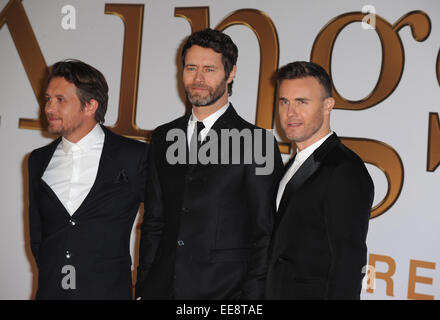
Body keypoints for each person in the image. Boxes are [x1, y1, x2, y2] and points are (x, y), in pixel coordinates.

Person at [135, 28, 283, 299]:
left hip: (224, 294)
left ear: (231, 73)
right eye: (191, 68)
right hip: (162, 290)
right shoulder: (164, 137)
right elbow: (154, 221)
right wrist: (144, 287)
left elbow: (265, 234)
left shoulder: (256, 143)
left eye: (209, 69)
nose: (198, 79)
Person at [27, 59, 148, 299]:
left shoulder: (133, 156)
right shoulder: (37, 160)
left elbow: (158, 225)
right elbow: (37, 234)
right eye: (48, 99)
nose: (49, 108)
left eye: (60, 100)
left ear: (90, 106)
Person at [265, 61, 374, 299]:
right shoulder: (293, 165)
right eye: (284, 102)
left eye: (302, 102)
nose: (290, 112)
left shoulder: (344, 170)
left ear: (328, 106)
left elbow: (348, 262)